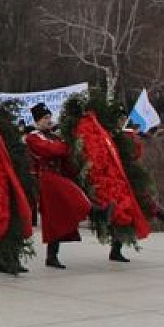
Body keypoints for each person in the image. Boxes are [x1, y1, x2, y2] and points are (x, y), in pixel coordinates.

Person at [25, 103, 104, 269]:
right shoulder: (33, 137)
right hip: (46, 178)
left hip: (56, 176)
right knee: (72, 194)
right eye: (45, 118)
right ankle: (94, 212)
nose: (49, 121)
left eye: (49, 117)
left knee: (56, 218)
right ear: (37, 121)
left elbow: (65, 154)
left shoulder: (54, 136)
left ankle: (52, 256)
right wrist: (66, 146)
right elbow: (50, 150)